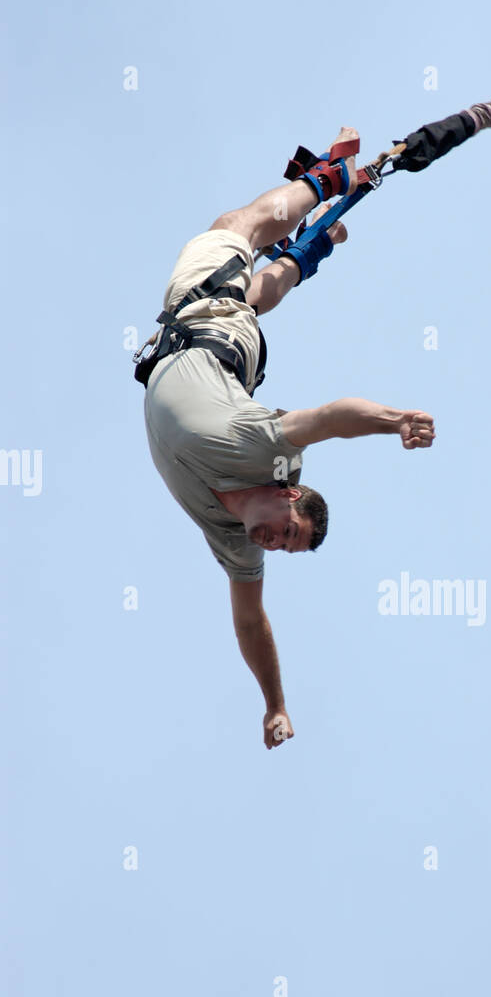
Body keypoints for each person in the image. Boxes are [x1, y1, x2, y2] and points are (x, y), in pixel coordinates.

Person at [140, 127, 435, 750]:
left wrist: (274, 704)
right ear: (291, 496)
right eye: (289, 532)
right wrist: (394, 420)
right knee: (237, 227)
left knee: (247, 293)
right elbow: (330, 418)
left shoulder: (234, 541)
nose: (274, 543)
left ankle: (314, 244)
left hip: (224, 351)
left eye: (284, 548)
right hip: (206, 328)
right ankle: (328, 178)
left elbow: (251, 624)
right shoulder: (271, 455)